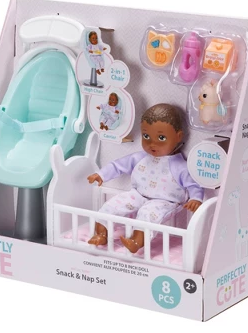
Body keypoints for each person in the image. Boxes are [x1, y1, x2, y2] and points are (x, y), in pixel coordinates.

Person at [87, 103, 204, 253]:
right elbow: (118, 165)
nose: (152, 143)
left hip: (165, 201)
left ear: (178, 136)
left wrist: (196, 198)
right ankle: (101, 234)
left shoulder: (180, 166)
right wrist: (101, 174)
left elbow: (193, 184)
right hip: (138, 194)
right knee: (111, 205)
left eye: (161, 137)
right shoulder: (140, 158)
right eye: (146, 136)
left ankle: (136, 241)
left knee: (147, 214)